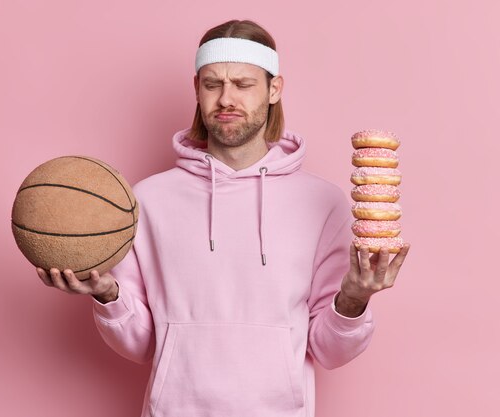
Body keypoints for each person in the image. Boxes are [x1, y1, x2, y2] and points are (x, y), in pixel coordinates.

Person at [37, 19, 410, 417]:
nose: (226, 99)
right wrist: (108, 295)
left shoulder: (324, 203)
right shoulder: (145, 200)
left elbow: (328, 351)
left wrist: (354, 299)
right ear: (196, 90)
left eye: (244, 85)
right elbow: (142, 345)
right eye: (213, 84)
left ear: (274, 89)